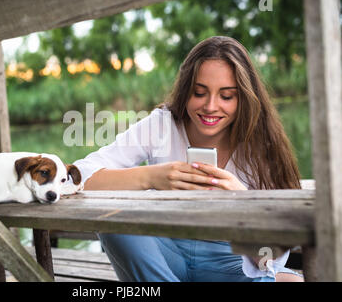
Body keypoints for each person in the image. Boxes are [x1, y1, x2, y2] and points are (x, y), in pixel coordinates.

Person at [73, 36, 304, 282]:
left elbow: (269, 260)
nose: (210, 106)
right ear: (185, 91)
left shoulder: (261, 142)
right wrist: (152, 177)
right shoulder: (162, 125)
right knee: (111, 218)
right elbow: (77, 176)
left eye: (226, 96)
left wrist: (242, 205)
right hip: (164, 251)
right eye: (199, 92)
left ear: (244, 98)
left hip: (232, 259)